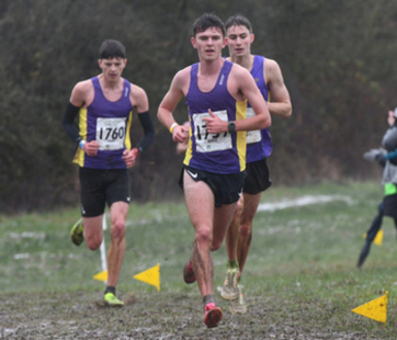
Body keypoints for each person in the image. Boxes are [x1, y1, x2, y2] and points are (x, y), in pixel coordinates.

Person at [157, 14, 271, 328]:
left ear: (223, 43)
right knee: (203, 233)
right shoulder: (184, 77)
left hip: (232, 169)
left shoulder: (238, 77)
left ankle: (196, 261)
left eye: (214, 38)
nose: (209, 44)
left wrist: (229, 125)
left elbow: (264, 118)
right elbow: (164, 109)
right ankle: (209, 304)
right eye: (203, 39)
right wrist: (174, 129)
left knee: (216, 242)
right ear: (194, 43)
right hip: (197, 166)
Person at [62, 39, 155, 306]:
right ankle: (85, 221)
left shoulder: (136, 94)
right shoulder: (84, 90)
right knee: (93, 243)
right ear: (99, 63)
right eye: (108, 64)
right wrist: (82, 143)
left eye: (117, 64)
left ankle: (111, 289)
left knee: (118, 225)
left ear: (124, 63)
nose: (113, 69)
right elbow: (66, 122)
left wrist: (135, 152)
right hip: (90, 170)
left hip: (117, 171)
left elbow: (149, 133)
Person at [219, 15, 292, 307]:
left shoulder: (269, 67)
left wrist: (258, 103)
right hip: (226, 151)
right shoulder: (219, 68)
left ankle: (235, 278)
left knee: (246, 224)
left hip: (256, 153)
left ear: (252, 38)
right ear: (226, 41)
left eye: (242, 36)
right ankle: (228, 263)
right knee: (234, 211)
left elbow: (286, 108)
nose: (237, 42)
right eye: (232, 37)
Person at [357, 109, 397, 268]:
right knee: (385, 211)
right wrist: (382, 157)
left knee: (384, 211)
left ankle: (366, 247)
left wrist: (384, 157)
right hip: (391, 187)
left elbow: (388, 145)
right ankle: (366, 247)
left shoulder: (393, 134)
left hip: (393, 187)